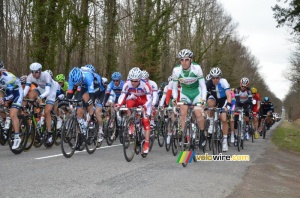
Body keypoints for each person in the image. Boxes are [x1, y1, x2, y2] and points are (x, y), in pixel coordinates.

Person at [172, 49, 207, 148]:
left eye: (186, 60)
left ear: (191, 60)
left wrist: (203, 100)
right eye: (182, 60)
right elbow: (174, 88)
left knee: (198, 113)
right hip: (185, 93)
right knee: (183, 112)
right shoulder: (176, 70)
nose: (184, 62)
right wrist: (174, 98)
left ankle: (202, 134)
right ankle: (183, 136)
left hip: (196, 92)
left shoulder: (197, 68)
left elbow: (203, 86)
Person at [114, 67, 152, 154]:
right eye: (132, 81)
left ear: (140, 79)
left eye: (136, 81)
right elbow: (123, 96)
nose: (133, 83)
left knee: (146, 121)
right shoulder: (127, 84)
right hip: (135, 98)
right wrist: (118, 105)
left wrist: (145, 107)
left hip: (145, 100)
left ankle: (146, 143)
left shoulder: (145, 85)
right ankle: (131, 123)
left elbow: (150, 99)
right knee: (128, 103)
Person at [24, 62, 57, 144]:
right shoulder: (30, 77)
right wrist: (21, 97)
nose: (34, 74)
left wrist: (40, 98)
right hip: (41, 88)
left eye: (36, 72)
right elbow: (25, 91)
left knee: (47, 111)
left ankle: (49, 134)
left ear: (40, 71)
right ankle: (34, 113)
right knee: (31, 95)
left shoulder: (46, 75)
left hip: (50, 90)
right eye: (32, 71)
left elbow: (48, 91)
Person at [206, 67, 232, 151]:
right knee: (210, 103)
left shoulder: (224, 82)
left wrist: (228, 105)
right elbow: (203, 94)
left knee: (224, 118)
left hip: (223, 100)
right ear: (211, 78)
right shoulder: (208, 83)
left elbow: (228, 95)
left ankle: (224, 141)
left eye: (217, 77)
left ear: (220, 77)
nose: (215, 80)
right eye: (213, 78)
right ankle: (211, 122)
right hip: (214, 99)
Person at [0, 62, 24, 150]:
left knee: (12, 114)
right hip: (5, 90)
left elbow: (11, 96)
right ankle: (4, 125)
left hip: (17, 92)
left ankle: (17, 137)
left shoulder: (7, 78)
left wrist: (4, 100)